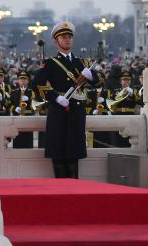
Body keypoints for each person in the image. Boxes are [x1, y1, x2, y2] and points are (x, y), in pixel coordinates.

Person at [36, 21, 93, 178]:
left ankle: (75, 186)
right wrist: (56, 97)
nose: (68, 40)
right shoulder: (50, 63)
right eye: (64, 37)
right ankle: (61, 187)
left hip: (76, 112)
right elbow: (37, 85)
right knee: (59, 153)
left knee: (74, 153)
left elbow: (98, 82)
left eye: (70, 37)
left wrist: (91, 77)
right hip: (59, 111)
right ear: (56, 41)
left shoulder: (80, 62)